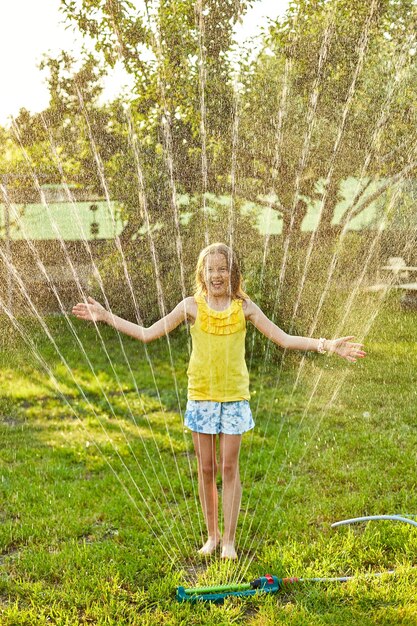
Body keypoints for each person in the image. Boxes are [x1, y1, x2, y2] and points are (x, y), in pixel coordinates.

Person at [72, 242, 366, 559]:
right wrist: (105, 317)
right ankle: (211, 537)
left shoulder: (245, 308)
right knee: (206, 468)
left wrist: (327, 344)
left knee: (229, 467)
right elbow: (147, 333)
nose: (217, 275)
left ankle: (228, 541)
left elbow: (285, 339)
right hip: (201, 399)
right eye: (211, 269)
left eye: (222, 269)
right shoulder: (190, 307)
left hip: (234, 399)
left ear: (232, 273)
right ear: (203, 273)